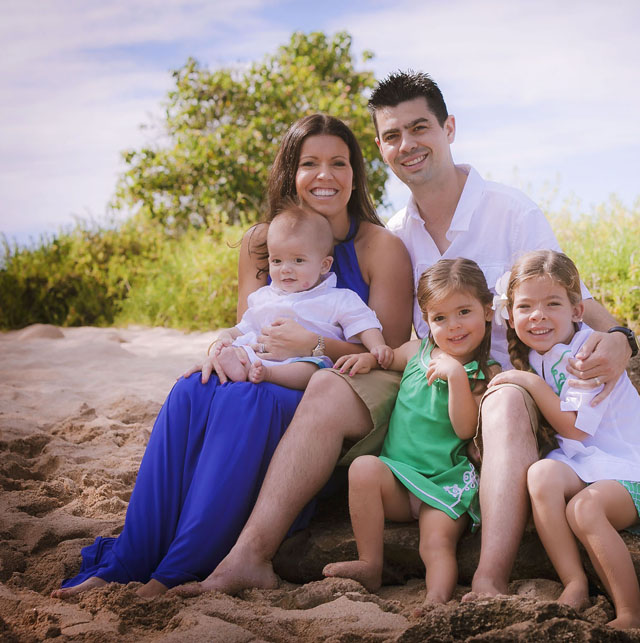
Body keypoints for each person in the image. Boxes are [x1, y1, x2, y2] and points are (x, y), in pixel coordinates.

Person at [185, 71, 632, 598]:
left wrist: (620, 336)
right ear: (381, 148)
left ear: (448, 128)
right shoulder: (396, 234)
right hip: (422, 380)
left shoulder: (511, 212)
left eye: (420, 128)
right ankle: (249, 556)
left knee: (505, 400)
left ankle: (489, 579)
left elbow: (572, 295)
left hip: (501, 382)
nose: (408, 145)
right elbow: (392, 341)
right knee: (329, 386)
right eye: (393, 135)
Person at [51, 114, 412, 599]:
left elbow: (384, 358)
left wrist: (313, 344)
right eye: (310, 163)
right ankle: (131, 558)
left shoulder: (380, 246)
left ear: (355, 173)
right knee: (190, 389)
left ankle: (182, 566)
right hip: (265, 367)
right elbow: (250, 325)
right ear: (291, 172)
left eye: (339, 163)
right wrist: (218, 350)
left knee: (247, 401)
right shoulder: (260, 242)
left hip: (331, 384)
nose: (324, 175)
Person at [491, 250, 640, 632]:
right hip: (586, 464)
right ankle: (574, 582)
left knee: (583, 511)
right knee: (540, 476)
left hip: (631, 471)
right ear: (509, 314)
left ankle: (631, 613)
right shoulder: (537, 353)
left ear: (577, 310)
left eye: (552, 304)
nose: (537, 315)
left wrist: (528, 382)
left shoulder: (587, 352)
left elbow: (575, 429)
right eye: (525, 306)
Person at [323, 258, 500, 603]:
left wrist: (456, 375)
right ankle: (370, 563)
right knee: (363, 468)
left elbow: (465, 429)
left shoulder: (486, 374)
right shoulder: (417, 352)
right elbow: (387, 357)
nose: (454, 326)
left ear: (488, 311)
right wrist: (369, 359)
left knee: (435, 545)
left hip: (444, 484)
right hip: (399, 480)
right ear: (426, 321)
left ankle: (435, 599)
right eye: (440, 318)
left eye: (464, 312)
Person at [215, 201, 392, 387]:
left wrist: (377, 346)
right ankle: (240, 366)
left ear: (324, 265)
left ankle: (268, 374)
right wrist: (226, 336)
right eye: (277, 261)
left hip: (306, 360)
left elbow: (363, 323)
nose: (285, 269)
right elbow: (245, 326)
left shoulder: (339, 298)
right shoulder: (264, 297)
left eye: (298, 260)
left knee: (313, 369)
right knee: (242, 351)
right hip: (262, 356)